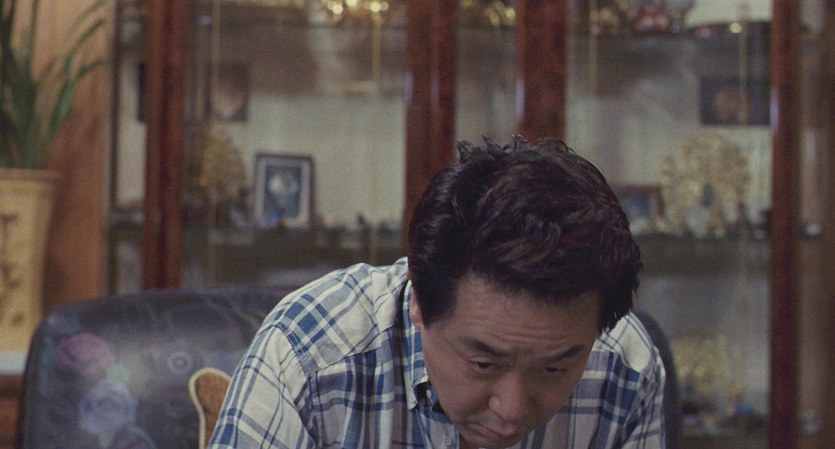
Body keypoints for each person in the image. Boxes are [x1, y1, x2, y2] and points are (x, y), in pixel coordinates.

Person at [208, 136, 665, 449]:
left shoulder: (625, 367)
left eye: (553, 369)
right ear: (419, 302)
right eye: (484, 364)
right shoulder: (310, 355)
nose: (511, 410)